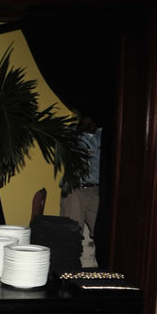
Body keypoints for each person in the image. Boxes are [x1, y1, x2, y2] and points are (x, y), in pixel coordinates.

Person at [60, 112, 101, 268]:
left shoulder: (102, 136)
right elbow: (63, 139)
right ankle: (68, 275)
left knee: (102, 233)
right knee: (71, 235)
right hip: (74, 189)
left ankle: (103, 270)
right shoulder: (72, 133)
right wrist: (82, 127)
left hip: (96, 190)